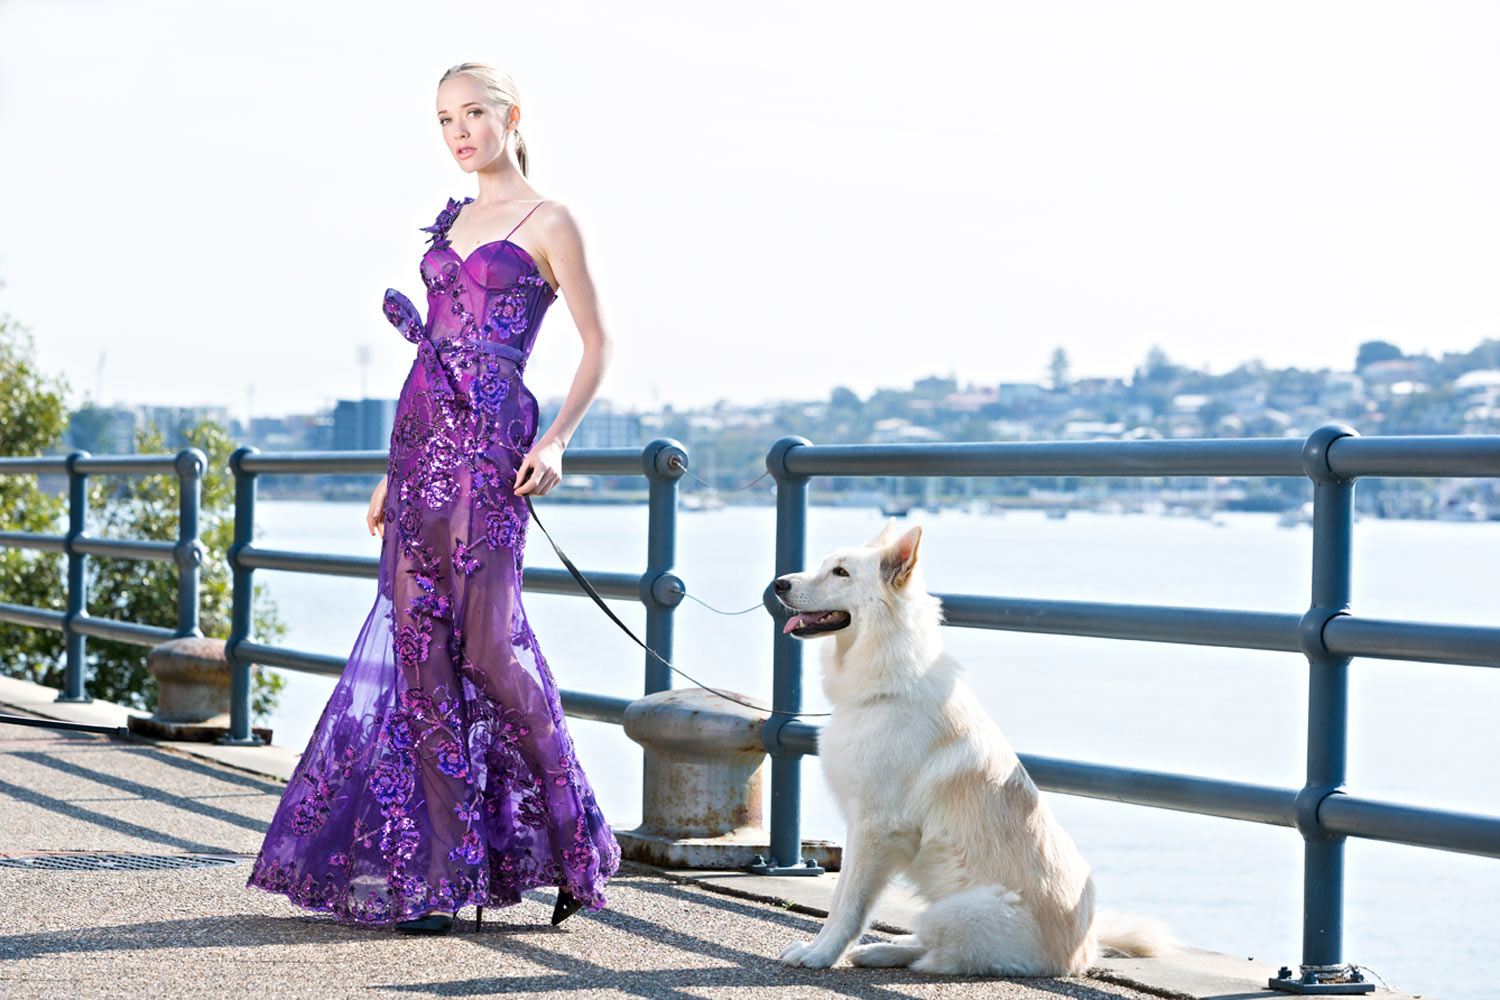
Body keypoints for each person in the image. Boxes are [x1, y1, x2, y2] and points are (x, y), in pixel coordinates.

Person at [247, 62, 620, 934]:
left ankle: (578, 840)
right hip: (421, 444)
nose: (459, 131)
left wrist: (556, 440)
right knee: (419, 647)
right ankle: (441, 876)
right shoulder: (453, 219)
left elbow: (600, 343)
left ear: (512, 116)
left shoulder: (551, 219)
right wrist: (391, 469)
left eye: (475, 113)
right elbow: (434, 348)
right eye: (445, 118)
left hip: (493, 443)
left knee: (491, 646)